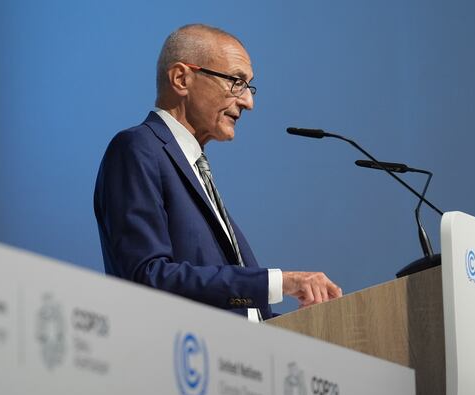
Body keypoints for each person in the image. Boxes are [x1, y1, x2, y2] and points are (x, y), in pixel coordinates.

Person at [94, 24, 342, 321]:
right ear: (181, 79)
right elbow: (149, 276)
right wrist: (278, 283)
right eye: (236, 82)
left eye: (248, 87)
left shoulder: (195, 169)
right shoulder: (137, 148)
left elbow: (237, 312)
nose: (248, 102)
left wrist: (308, 326)